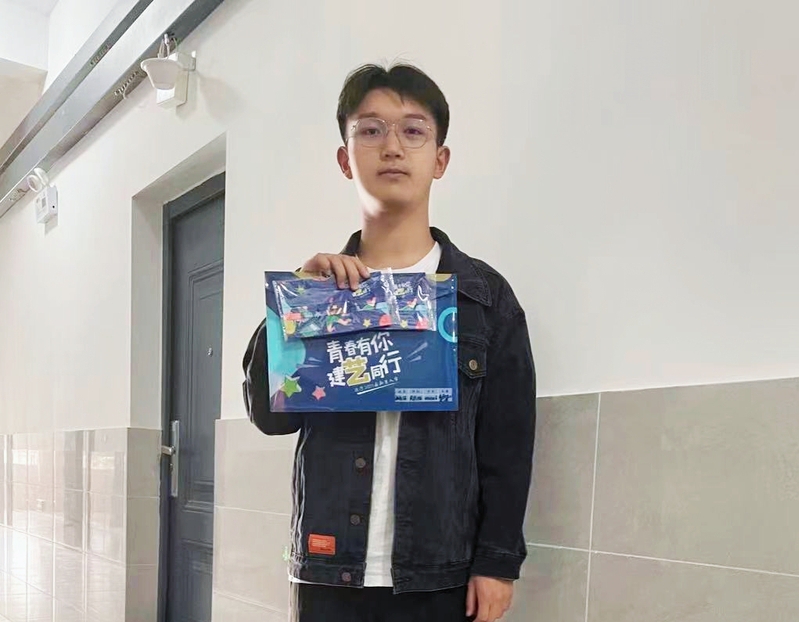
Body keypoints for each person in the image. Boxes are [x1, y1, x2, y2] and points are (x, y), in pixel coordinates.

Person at [242, 62, 536, 622]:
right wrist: (295, 306)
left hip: (440, 577)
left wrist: (497, 564)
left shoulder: (483, 298)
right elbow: (268, 416)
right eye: (371, 130)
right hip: (329, 571)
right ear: (345, 158)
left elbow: (508, 444)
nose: (392, 147)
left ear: (440, 159)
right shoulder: (317, 292)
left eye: (413, 130)